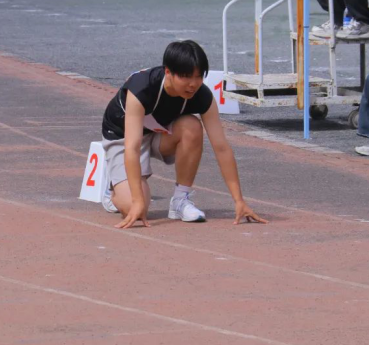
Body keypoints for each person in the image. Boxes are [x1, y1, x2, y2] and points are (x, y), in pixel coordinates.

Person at [101, 41, 267, 229]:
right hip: (124, 137)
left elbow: (221, 147)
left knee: (192, 126)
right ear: (168, 72)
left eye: (199, 76)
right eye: (186, 77)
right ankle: (112, 187)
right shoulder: (142, 87)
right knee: (136, 208)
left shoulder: (202, 96)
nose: (193, 84)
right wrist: (138, 201)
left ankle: (180, 200)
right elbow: (132, 148)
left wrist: (239, 200)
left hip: (159, 133)